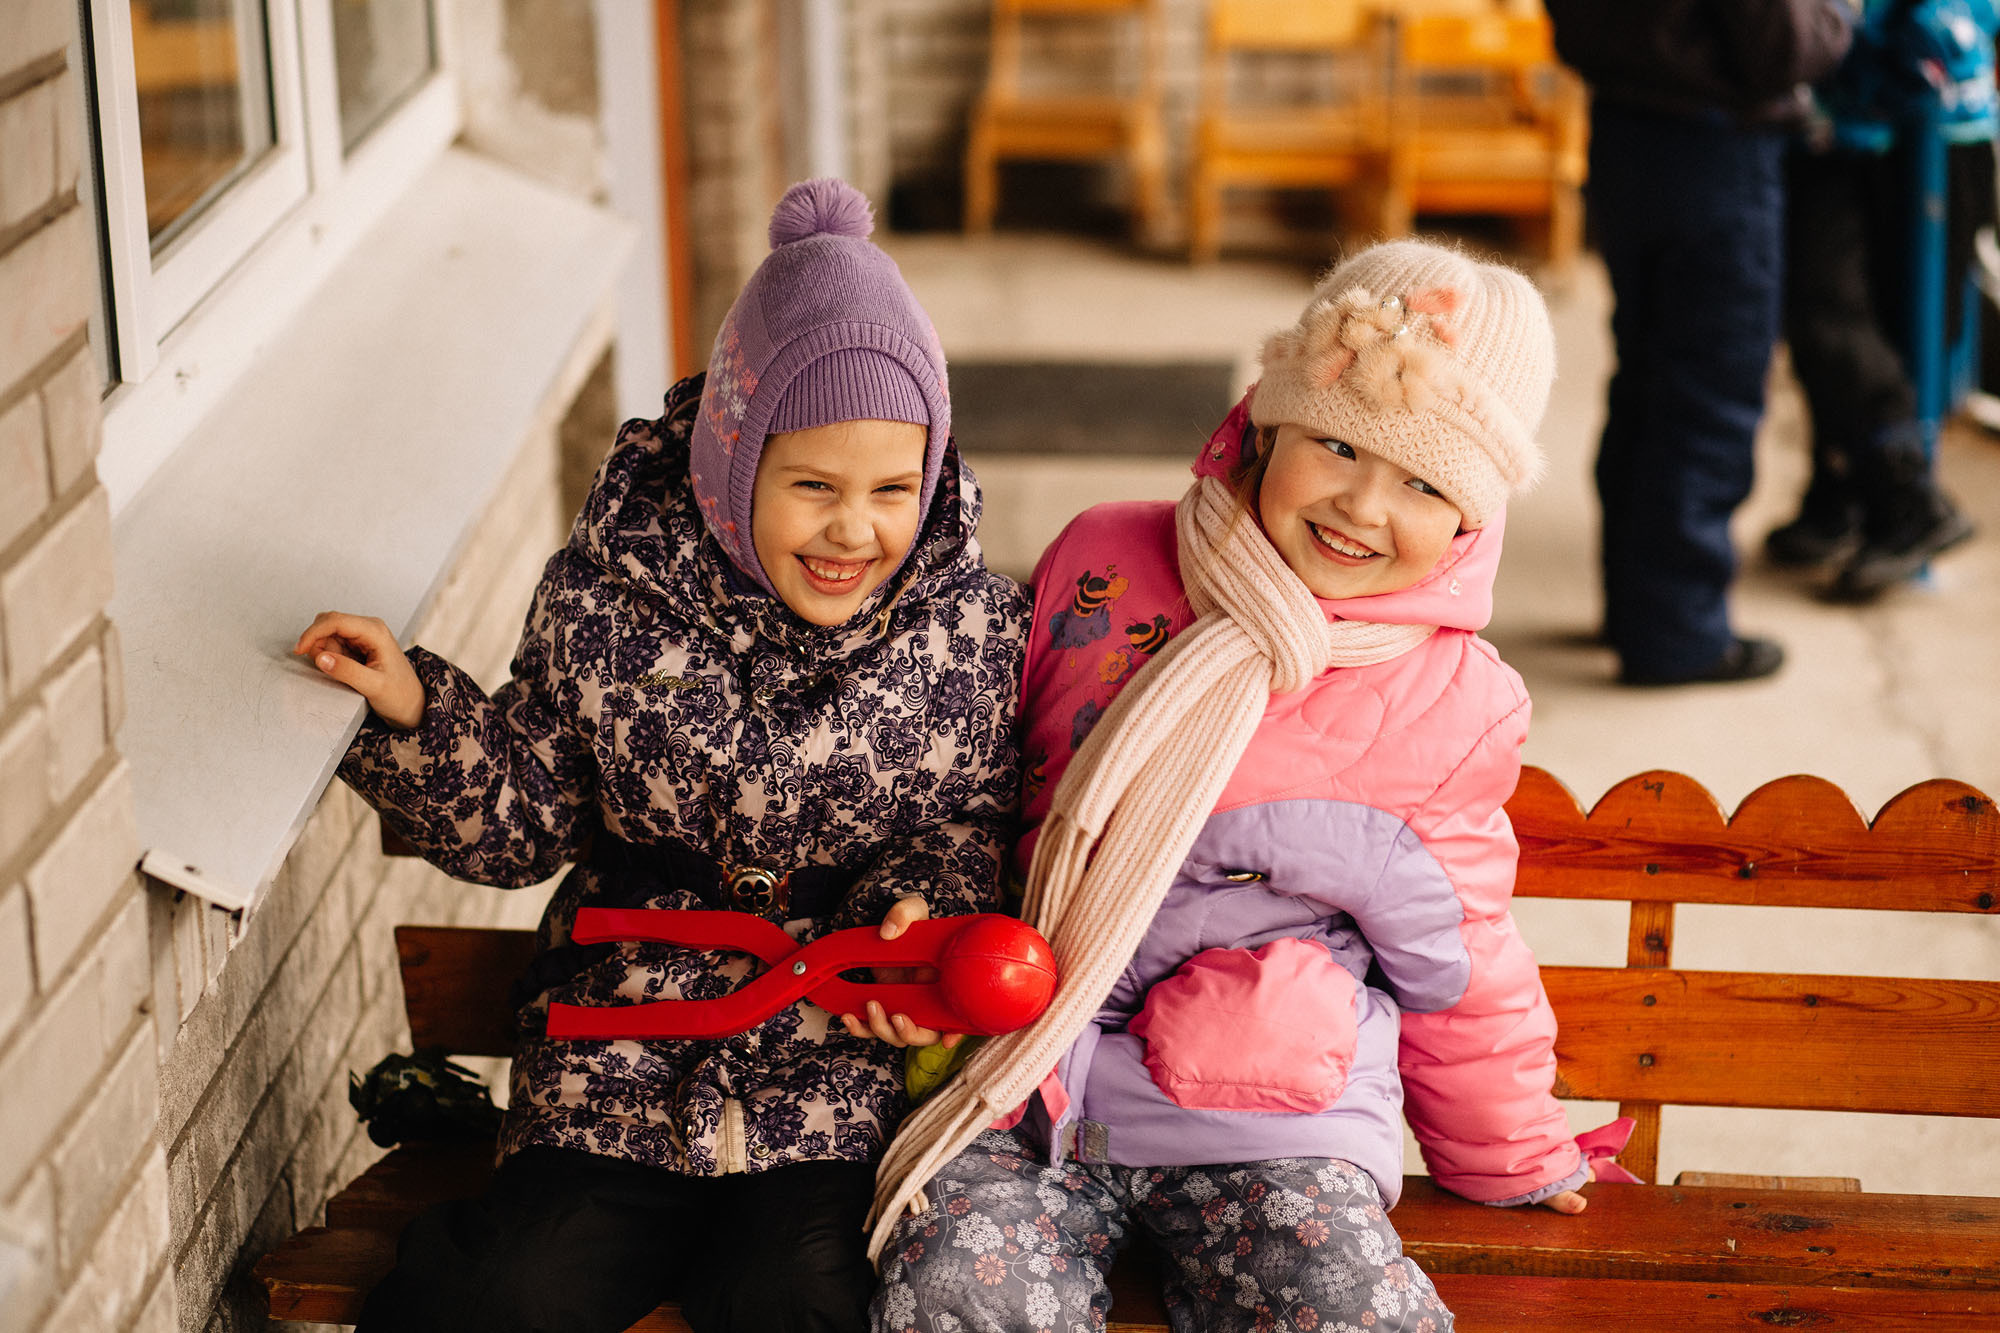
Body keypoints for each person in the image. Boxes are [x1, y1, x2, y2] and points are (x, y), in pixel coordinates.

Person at [292, 178, 1029, 1333]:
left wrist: (915, 922)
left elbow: (970, 818)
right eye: (813, 488)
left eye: (895, 488)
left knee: (793, 1297)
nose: (856, 529)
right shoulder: (605, 601)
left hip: (820, 1081)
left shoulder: (968, 631)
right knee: (508, 1292)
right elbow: (529, 810)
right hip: (613, 1063)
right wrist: (414, 717)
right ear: (733, 468)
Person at [865, 240, 1614, 1333]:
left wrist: (1506, 1147)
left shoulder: (1449, 701)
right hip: (1023, 1088)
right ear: (1265, 423)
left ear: (1469, 521)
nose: (1362, 503)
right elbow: (976, 778)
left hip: (1269, 1125)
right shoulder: (1104, 563)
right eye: (1337, 443)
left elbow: (1459, 957)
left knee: (1344, 1315)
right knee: (950, 1297)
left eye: (1422, 481)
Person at [1543, 0, 1853, 684]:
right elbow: (1785, 46)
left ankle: (1638, 608)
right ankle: (1676, 634)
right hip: (1715, 148)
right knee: (1709, 392)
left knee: (1648, 378)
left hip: (1626, 131)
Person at [1770, 0, 1994, 599]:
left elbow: (1944, 34)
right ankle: (1843, 491)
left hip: (1928, 131)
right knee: (1823, 314)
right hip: (1841, 124)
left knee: (1884, 325)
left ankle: (1905, 499)